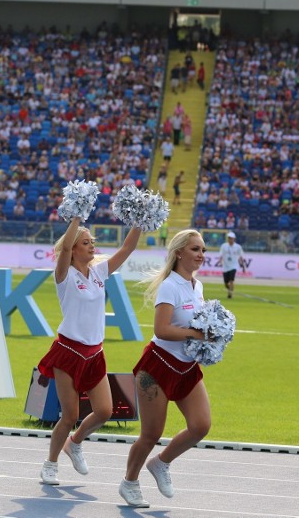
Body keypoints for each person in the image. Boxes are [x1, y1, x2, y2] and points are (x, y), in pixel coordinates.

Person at [38, 216, 141, 486]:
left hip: (95, 353)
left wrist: (140, 220)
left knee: (105, 411)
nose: (92, 245)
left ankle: (75, 443)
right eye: (86, 242)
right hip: (68, 351)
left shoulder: (99, 272)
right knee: (69, 415)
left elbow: (127, 249)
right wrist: (75, 217)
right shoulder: (64, 274)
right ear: (73, 248)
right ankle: (50, 464)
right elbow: (64, 250)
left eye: (92, 242)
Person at [119, 229, 211, 508]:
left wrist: (212, 336)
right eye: (196, 249)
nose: (201, 255)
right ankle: (129, 482)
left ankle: (161, 463)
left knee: (200, 426)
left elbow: (199, 326)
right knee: (151, 434)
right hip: (158, 366)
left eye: (204, 250)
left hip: (186, 367)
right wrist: (197, 335)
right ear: (179, 252)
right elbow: (161, 329)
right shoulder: (170, 285)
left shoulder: (198, 286)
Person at [218, 232, 245, 299]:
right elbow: (221, 255)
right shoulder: (224, 246)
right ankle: (230, 289)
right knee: (226, 283)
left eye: (231, 238)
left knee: (231, 280)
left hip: (234, 266)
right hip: (225, 266)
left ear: (234, 239)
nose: (230, 239)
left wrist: (243, 265)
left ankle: (230, 294)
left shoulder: (238, 247)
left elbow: (241, 256)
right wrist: (220, 261)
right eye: (229, 238)